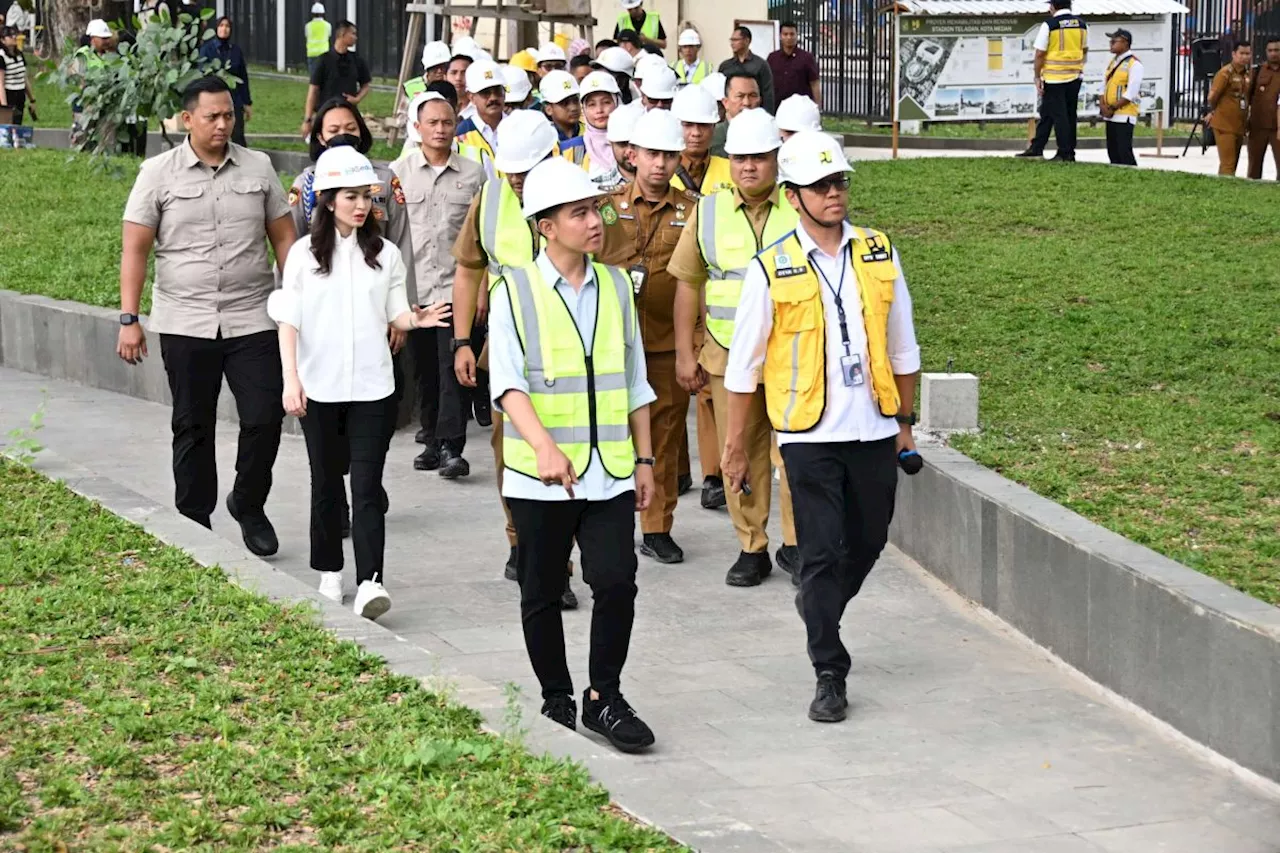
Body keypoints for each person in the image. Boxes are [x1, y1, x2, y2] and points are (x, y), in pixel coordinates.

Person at [722, 131, 921, 723]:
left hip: (875, 428)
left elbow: (903, 347)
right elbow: (744, 368)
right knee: (820, 547)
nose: (835, 194)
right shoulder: (770, 268)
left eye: (841, 183)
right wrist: (735, 447)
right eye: (822, 186)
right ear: (792, 195)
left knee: (869, 539)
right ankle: (829, 669)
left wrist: (905, 425)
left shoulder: (879, 251)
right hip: (807, 435)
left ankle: (818, 604)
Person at [488, 156, 657, 753]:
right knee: (540, 589)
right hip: (541, 479)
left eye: (596, 209)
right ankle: (555, 693)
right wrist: (543, 447)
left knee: (616, 582)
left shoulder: (615, 285)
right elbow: (508, 385)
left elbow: (634, 380)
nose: (594, 221)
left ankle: (603, 697)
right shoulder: (514, 291)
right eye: (580, 212)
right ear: (546, 225)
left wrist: (645, 461)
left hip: (610, 473)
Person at [117, 76, 297, 555]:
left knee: (265, 415)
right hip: (184, 320)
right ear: (187, 120)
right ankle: (194, 521)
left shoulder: (258, 166)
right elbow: (135, 248)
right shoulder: (158, 173)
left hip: (252, 317)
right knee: (192, 424)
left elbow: (283, 237)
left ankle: (248, 501)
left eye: (229, 115)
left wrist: (299, 300)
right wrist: (129, 318)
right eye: (213, 116)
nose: (222, 124)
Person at [271, 147, 452, 620]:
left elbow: (395, 312)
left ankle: (372, 580)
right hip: (319, 389)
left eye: (367, 197)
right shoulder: (303, 257)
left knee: (368, 487)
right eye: (350, 196)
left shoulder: (386, 254)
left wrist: (417, 317)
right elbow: (288, 320)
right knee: (327, 483)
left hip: (374, 388)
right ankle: (330, 570)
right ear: (328, 200)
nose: (362, 206)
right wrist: (291, 379)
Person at [450, 110, 582, 609]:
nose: (519, 183)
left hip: (573, 350)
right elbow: (468, 270)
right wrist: (462, 341)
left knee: (567, 449)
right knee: (514, 453)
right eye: (512, 173)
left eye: (527, 172)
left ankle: (558, 564)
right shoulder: (489, 201)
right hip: (510, 349)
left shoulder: (584, 200)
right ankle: (521, 543)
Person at [673, 108, 802, 586]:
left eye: (760, 158)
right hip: (729, 356)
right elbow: (688, 283)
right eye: (740, 158)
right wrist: (688, 353)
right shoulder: (707, 212)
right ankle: (752, 544)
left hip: (793, 354)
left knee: (794, 453)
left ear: (776, 159)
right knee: (739, 452)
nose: (749, 167)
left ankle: (795, 543)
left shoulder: (801, 205)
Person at [597, 109, 692, 564]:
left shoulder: (693, 212)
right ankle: (607, 521)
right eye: (652, 153)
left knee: (665, 437)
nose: (660, 164)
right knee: (609, 434)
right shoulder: (604, 207)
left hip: (666, 343)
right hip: (610, 344)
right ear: (632, 154)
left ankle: (657, 527)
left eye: (670, 155)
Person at [392, 92, 488, 479]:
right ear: (417, 129)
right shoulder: (397, 173)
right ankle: (431, 440)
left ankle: (453, 446)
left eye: (447, 122)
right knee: (425, 371)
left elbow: (483, 237)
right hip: (414, 291)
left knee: (452, 367)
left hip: (456, 288)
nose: (440, 129)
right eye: (432, 123)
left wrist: (481, 289)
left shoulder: (473, 174)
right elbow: (390, 235)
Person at [1017, 0, 1087, 162]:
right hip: (1075, 76)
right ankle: (1037, 147)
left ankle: (1065, 153)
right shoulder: (1082, 25)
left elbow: (1040, 54)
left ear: (1053, 7)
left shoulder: (1050, 25)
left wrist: (1036, 76)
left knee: (1059, 116)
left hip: (1054, 78)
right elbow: (1084, 49)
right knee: (1057, 113)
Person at [302, 21, 370, 140]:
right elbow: (313, 90)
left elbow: (366, 85)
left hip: (348, 112)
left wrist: (357, 99)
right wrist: (308, 119)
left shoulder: (357, 60)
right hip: (326, 113)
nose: (356, 37)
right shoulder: (324, 60)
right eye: (353, 33)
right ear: (342, 34)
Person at [670, 84, 733, 195]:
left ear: (714, 127)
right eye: (688, 125)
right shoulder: (660, 171)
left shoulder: (732, 171)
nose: (696, 133)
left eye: (703, 125)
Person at [198, 17, 252, 147]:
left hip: (234, 98)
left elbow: (243, 78)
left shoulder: (235, 50)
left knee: (238, 134)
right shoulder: (207, 49)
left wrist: (247, 102)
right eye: (221, 25)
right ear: (216, 28)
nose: (224, 29)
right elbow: (202, 72)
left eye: (227, 26)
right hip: (213, 98)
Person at [1207, 41, 1253, 176]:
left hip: (1239, 125)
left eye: (1248, 54)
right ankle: (1227, 192)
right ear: (1234, 54)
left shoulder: (1247, 74)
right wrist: (1213, 111)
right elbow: (1212, 97)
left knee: (1232, 163)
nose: (1245, 57)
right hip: (1224, 124)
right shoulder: (1225, 73)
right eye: (1242, 53)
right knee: (1228, 164)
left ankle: (1226, 189)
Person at [455, 58, 506, 179]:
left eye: (498, 91)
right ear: (471, 97)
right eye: (485, 92)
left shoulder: (518, 127)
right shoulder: (461, 134)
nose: (493, 98)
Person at [1099, 29, 1142, 167]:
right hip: (1110, 114)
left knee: (1124, 150)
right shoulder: (1112, 62)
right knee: (1113, 151)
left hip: (1124, 114)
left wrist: (1112, 108)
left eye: (1114, 41)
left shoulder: (1134, 64)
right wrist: (1102, 106)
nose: (1110, 44)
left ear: (1125, 43)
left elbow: (1131, 92)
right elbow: (1103, 86)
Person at [579, 71, 622, 189]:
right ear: (583, 109)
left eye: (606, 102)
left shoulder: (634, 142)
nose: (599, 110)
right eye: (592, 105)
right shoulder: (576, 149)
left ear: (617, 102)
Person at [719, 27, 775, 114]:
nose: (732, 44)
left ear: (747, 41)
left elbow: (768, 95)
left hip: (754, 114)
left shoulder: (760, 65)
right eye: (731, 40)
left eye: (736, 40)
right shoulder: (725, 66)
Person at [1246, 38, 1280, 180]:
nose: (1273, 54)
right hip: (1258, 126)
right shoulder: (1257, 71)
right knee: (1254, 166)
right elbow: (1247, 96)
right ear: (1266, 52)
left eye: (1277, 50)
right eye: (1270, 50)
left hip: (1277, 127)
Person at [768, 21, 820, 107]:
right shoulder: (772, 58)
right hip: (777, 107)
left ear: (797, 36)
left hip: (801, 108)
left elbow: (814, 83)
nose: (789, 37)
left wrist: (817, 106)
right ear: (780, 36)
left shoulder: (807, 58)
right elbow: (767, 82)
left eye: (792, 34)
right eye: (785, 34)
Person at [711, 72, 762, 156]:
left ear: (760, 100)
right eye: (740, 96)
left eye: (752, 95)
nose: (746, 103)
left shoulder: (769, 134)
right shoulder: (713, 138)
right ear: (726, 102)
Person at [0, 26, 34, 125]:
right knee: (7, 128)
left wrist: (32, 99)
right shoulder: (1, 57)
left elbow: (24, 78)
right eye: (9, 35)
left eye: (14, 34)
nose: (14, 37)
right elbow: (0, 84)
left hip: (19, 95)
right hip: (8, 95)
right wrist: (4, 107)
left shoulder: (19, 55)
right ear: (2, 40)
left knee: (17, 125)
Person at [541, 69, 585, 143]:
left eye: (575, 100)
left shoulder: (590, 133)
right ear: (548, 109)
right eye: (565, 103)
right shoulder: (543, 140)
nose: (573, 108)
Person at [606, 99, 642, 190]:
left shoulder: (671, 182)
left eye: (635, 144)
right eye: (622, 144)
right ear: (611, 143)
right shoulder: (595, 188)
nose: (630, 151)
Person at [305, 3, 331, 78]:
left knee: (313, 78)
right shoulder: (327, 25)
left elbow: (307, 36)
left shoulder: (308, 26)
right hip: (324, 53)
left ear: (312, 14)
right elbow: (329, 35)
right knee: (324, 77)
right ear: (323, 13)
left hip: (311, 54)